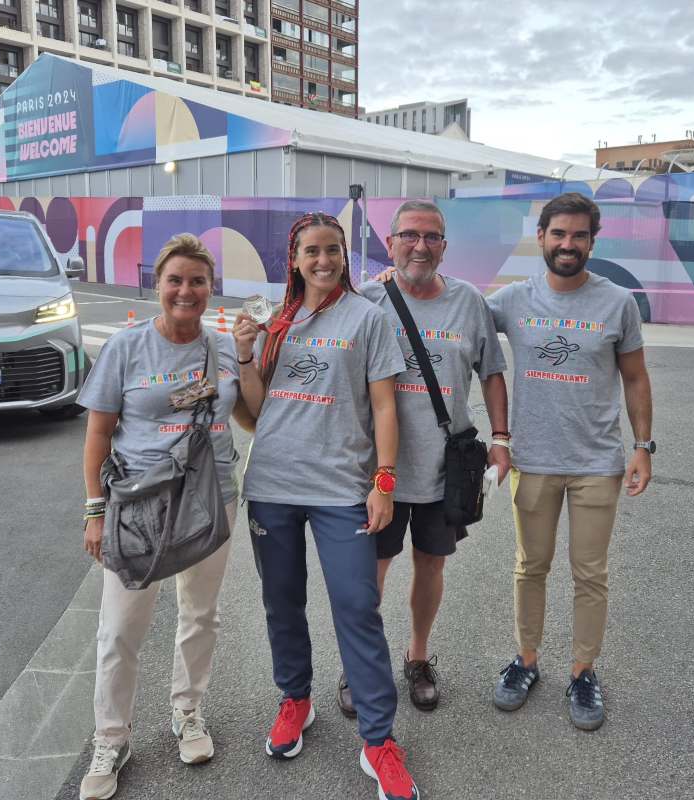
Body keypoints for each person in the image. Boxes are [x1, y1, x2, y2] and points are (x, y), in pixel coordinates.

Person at [232, 212, 420, 800]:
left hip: (343, 488)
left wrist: (384, 480)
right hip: (272, 485)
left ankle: (379, 740)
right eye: (311, 250)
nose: (323, 260)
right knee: (281, 602)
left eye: (333, 250)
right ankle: (296, 700)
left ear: (345, 255)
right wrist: (243, 355)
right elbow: (257, 411)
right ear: (294, 259)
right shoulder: (275, 323)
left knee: (357, 607)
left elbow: (386, 407)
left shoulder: (368, 317)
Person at [76, 233, 255, 800]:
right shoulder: (126, 348)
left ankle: (188, 711)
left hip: (212, 496)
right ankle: (111, 737)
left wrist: (249, 358)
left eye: (198, 281)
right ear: (157, 285)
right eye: (175, 280)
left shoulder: (223, 347)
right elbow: (98, 434)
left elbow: (251, 417)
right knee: (120, 628)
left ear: (210, 289)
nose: (186, 290)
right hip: (139, 504)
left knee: (200, 613)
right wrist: (94, 511)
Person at [486, 192, 654, 731]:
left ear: (591, 241)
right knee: (530, 566)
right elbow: (455, 325)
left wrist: (642, 448)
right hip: (532, 459)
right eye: (558, 234)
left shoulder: (617, 303)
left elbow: (635, 377)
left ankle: (583, 671)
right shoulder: (512, 300)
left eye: (578, 235)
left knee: (590, 573)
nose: (567, 244)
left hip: (596, 463)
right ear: (540, 237)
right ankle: (527, 661)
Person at [340, 199, 509, 716]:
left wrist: (501, 436)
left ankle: (417, 657)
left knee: (430, 565)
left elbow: (492, 372)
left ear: (444, 246)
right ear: (389, 243)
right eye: (409, 235)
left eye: (432, 236)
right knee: (372, 572)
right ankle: (360, 666)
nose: (421, 245)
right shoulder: (368, 299)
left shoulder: (468, 303)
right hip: (380, 471)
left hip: (445, 470)